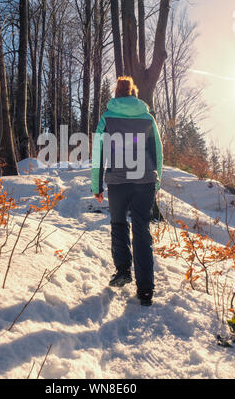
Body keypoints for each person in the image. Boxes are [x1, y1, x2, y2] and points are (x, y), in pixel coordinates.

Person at [91, 76, 163, 306]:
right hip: (145, 180)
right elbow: (157, 152)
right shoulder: (147, 117)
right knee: (142, 230)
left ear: (117, 93)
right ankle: (145, 290)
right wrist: (157, 182)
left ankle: (123, 271)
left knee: (119, 224)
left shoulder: (107, 117)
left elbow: (98, 153)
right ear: (134, 93)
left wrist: (96, 185)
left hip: (118, 181)